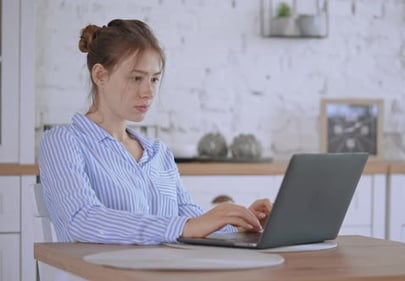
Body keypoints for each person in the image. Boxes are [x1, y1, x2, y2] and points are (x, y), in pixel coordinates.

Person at [38, 19, 272, 245]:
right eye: (136, 78)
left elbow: (192, 219)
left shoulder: (158, 153)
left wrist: (238, 224)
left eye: (154, 79)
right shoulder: (63, 142)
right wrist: (184, 227)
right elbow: (82, 220)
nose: (148, 92)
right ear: (100, 75)